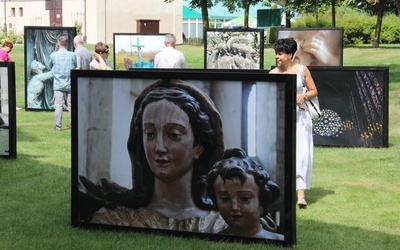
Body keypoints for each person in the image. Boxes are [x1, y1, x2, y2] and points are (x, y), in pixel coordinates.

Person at [79, 80, 226, 233]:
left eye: (174, 135)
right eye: (150, 134)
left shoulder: (222, 225)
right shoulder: (115, 219)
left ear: (198, 146)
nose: (159, 147)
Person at [269, 38, 318, 208]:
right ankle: (278, 190)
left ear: (290, 55)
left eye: (280, 53)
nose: (277, 57)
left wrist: (303, 95)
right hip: (280, 119)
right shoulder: (273, 74)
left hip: (300, 118)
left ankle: (301, 194)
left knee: (302, 154)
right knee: (280, 154)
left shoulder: (302, 70)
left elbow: (314, 91)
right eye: (276, 53)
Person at [207, 148, 284, 240]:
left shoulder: (278, 241)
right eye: (225, 199)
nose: (234, 207)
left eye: (244, 198)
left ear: (262, 201)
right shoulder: (212, 241)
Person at [49, 35, 77, 131]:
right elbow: (75, 66)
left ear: (58, 43)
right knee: (71, 104)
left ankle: (58, 125)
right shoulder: (72, 55)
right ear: (67, 44)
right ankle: (73, 123)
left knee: (58, 105)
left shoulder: (53, 55)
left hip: (58, 84)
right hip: (70, 83)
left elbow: (50, 65)